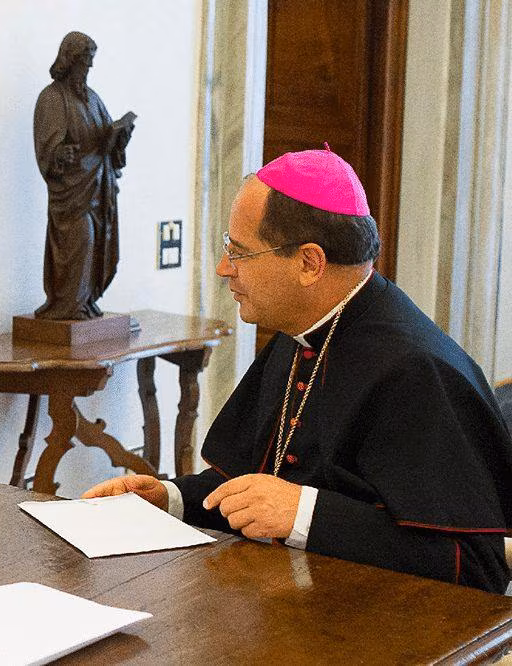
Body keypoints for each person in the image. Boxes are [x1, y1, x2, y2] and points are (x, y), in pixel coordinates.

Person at [83, 148, 512, 593]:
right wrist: (169, 499)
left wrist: (304, 513)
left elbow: (477, 565)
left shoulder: (416, 370)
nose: (223, 269)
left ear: (309, 263)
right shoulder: (303, 334)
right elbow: (259, 485)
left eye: (239, 252)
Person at [32, 31, 135, 320]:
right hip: (73, 194)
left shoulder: (93, 99)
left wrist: (120, 138)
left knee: (99, 242)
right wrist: (59, 155)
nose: (89, 68)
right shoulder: (51, 98)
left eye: (91, 62)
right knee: (82, 239)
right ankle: (68, 304)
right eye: (85, 61)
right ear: (70, 60)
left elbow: (105, 143)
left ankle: (85, 301)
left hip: (99, 187)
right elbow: (47, 147)